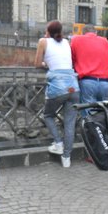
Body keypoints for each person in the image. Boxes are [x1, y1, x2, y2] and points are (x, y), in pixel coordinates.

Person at [34, 20, 79, 168]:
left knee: (48, 115)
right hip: (73, 85)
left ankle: (58, 142)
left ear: (48, 31)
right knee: (70, 123)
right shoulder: (66, 42)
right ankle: (67, 158)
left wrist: (45, 65)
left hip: (58, 85)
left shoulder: (43, 41)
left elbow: (36, 63)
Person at [71, 23, 108, 110]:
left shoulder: (76, 40)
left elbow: (72, 58)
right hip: (105, 82)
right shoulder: (105, 41)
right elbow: (107, 56)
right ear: (95, 32)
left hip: (87, 81)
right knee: (104, 113)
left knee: (89, 114)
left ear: (83, 32)